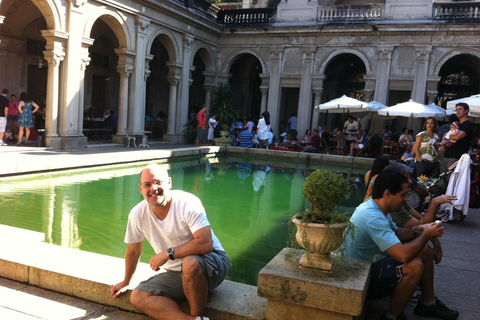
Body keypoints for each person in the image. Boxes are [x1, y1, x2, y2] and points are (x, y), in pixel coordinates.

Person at [110, 164, 231, 320]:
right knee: (138, 297)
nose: (153, 188)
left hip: (214, 263)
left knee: (189, 263)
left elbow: (205, 243)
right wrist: (126, 281)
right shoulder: (137, 214)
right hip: (177, 273)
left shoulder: (187, 203)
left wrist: (167, 254)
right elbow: (133, 250)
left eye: (158, 182)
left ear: (169, 183)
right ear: (141, 189)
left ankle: (197, 314)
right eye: (147, 185)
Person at [342, 170, 459, 320]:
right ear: (387, 193)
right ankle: (392, 316)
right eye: (403, 195)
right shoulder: (371, 216)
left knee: (423, 250)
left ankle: (428, 304)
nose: (406, 199)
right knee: (413, 266)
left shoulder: (378, 207)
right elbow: (402, 254)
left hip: (370, 266)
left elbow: (396, 233)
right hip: (358, 276)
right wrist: (425, 235)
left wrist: (416, 230)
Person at [440, 103, 474, 174]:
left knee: (451, 179)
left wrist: (448, 136)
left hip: (456, 156)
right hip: (447, 154)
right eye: (457, 109)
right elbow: (447, 137)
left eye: (460, 109)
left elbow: (458, 137)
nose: (458, 111)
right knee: (442, 179)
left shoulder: (468, 124)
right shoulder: (456, 124)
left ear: (466, 111)